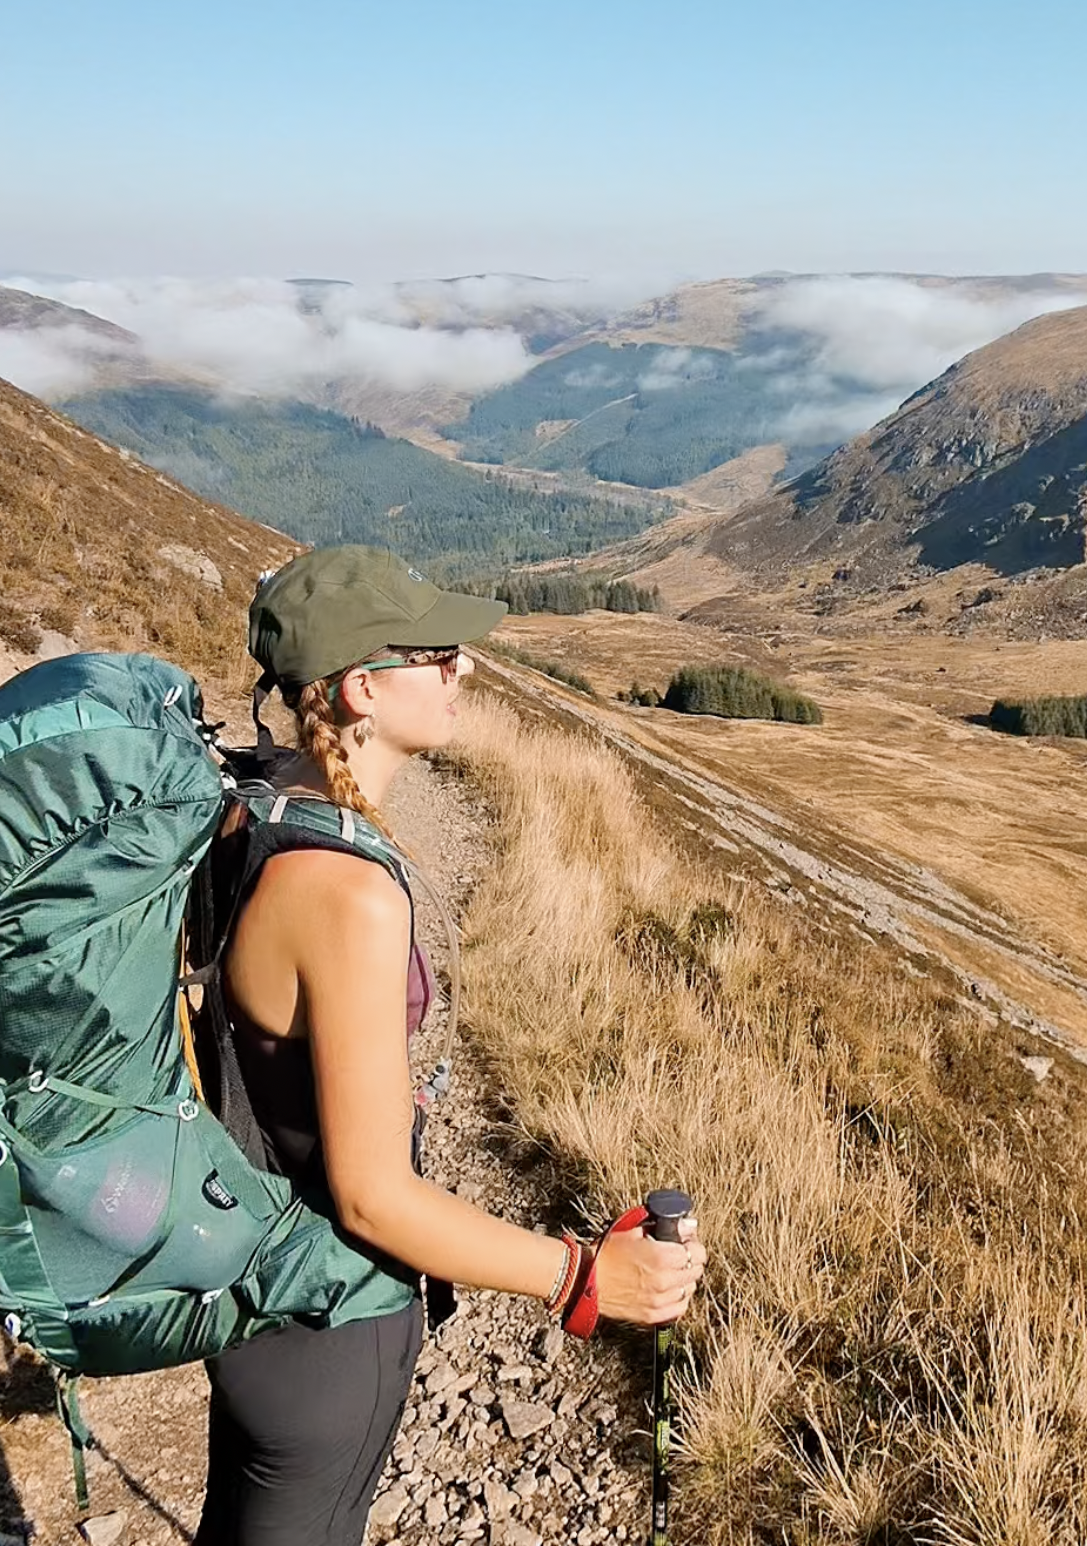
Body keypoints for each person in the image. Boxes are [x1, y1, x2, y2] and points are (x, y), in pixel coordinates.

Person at [193, 545, 706, 1546]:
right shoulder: (348, 894)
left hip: (249, 1292)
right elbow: (370, 1196)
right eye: (436, 654)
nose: (463, 669)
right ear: (361, 690)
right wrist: (579, 1274)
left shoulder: (254, 810)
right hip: (328, 1322)